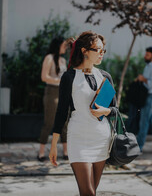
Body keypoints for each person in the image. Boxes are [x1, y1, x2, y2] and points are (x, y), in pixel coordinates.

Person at [49, 31, 118, 196]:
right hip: (78, 139)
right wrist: (54, 145)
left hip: (101, 139)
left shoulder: (105, 77)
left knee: (92, 191)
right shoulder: (69, 77)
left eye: (103, 50)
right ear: (84, 51)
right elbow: (61, 112)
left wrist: (105, 111)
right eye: (98, 50)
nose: (101, 54)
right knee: (88, 192)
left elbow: (115, 110)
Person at [37, 37, 69, 162]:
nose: (65, 48)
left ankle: (65, 152)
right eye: (64, 45)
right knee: (49, 123)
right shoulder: (49, 58)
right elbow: (44, 77)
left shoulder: (63, 60)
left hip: (63, 93)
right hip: (52, 92)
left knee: (64, 123)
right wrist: (59, 81)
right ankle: (41, 152)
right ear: (58, 45)